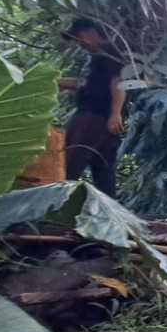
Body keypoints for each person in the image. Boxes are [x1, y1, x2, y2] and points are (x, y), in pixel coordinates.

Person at [58, 17, 126, 197]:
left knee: (69, 160)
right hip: (99, 118)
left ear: (92, 32)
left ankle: (55, 203)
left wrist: (115, 114)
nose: (79, 43)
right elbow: (83, 84)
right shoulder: (96, 58)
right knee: (102, 167)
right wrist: (52, 81)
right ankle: (110, 211)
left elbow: (118, 82)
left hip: (93, 117)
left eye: (80, 36)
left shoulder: (109, 53)